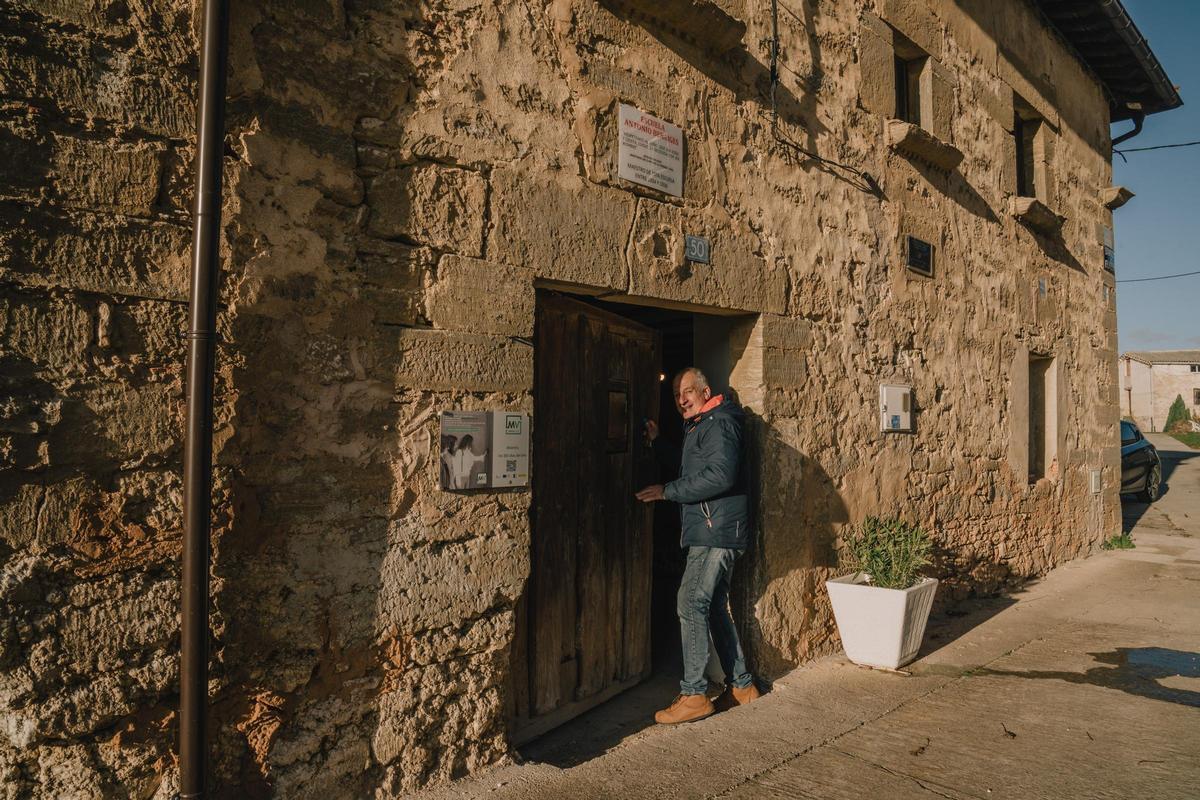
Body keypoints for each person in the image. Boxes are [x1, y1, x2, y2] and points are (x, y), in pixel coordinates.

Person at [636, 367, 760, 724]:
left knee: (691, 601)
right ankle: (742, 686)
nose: (681, 399)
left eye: (688, 391)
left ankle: (694, 693)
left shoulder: (719, 422)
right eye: (677, 394)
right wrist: (659, 443)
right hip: (714, 526)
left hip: (715, 529)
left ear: (706, 392)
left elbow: (721, 475)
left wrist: (667, 491)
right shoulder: (703, 425)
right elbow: (692, 466)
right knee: (715, 606)